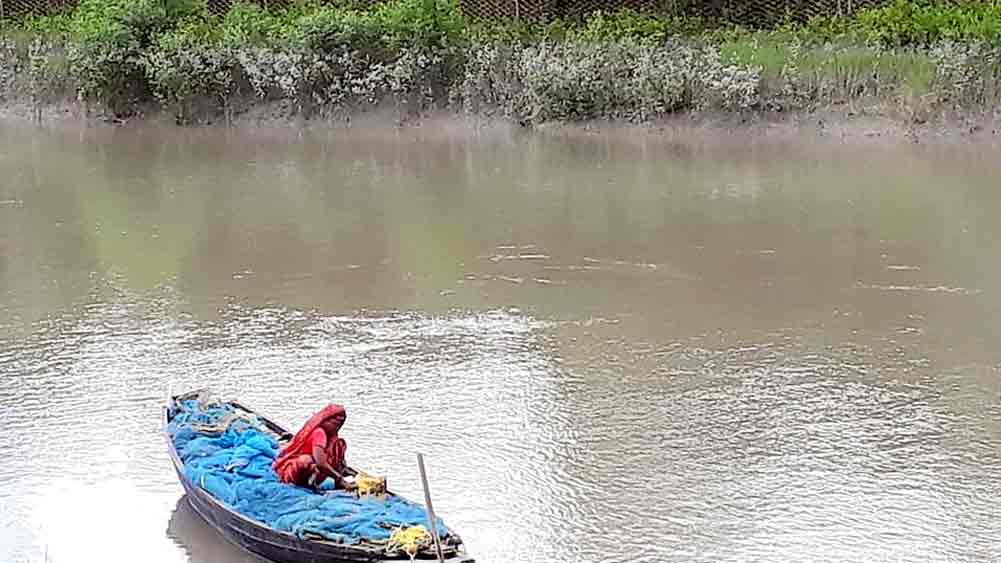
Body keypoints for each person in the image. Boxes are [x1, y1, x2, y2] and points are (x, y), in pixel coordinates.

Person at [272, 404, 356, 491]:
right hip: (296, 471)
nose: (337, 427)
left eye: (340, 424)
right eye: (335, 423)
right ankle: (305, 484)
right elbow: (320, 463)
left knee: (339, 445)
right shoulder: (319, 433)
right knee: (307, 460)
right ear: (325, 420)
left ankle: (338, 482)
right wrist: (340, 478)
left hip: (316, 472)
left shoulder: (332, 436)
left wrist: (342, 469)